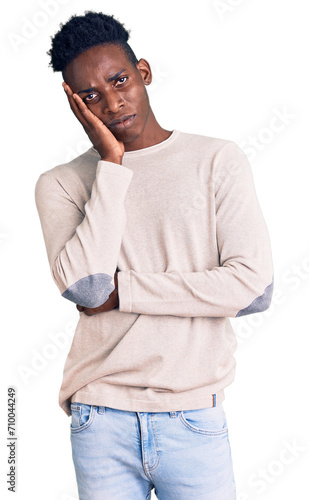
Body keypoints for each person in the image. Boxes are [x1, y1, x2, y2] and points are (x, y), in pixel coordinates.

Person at [34, 10, 274, 500]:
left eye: (119, 80)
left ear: (143, 72)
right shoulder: (59, 184)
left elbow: (253, 288)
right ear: (76, 106)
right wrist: (112, 167)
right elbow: (87, 288)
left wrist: (127, 290)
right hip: (100, 418)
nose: (112, 101)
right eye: (91, 96)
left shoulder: (216, 159)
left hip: (193, 415)